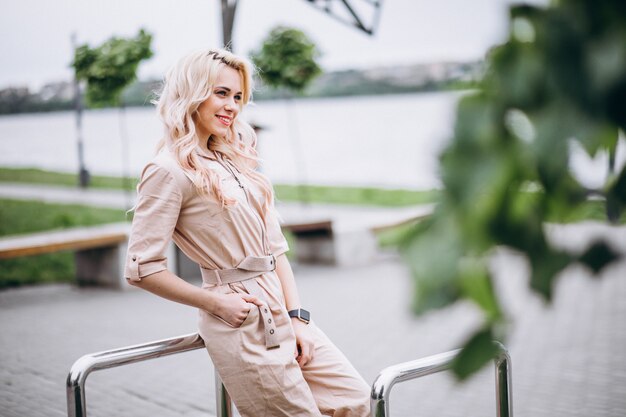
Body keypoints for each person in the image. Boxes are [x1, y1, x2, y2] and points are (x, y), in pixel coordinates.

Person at [124, 48, 371, 417]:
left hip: (283, 309)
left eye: (238, 96)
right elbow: (141, 269)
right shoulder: (167, 171)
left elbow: (275, 250)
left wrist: (298, 317)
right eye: (221, 93)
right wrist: (215, 302)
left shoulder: (237, 158)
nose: (232, 107)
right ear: (191, 94)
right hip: (238, 319)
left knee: (357, 401)